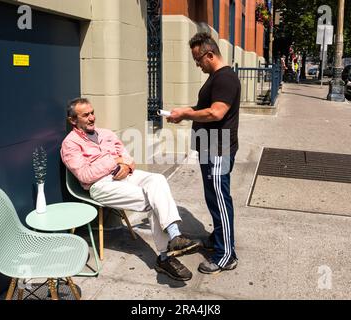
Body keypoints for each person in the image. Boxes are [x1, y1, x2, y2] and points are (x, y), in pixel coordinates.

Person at [61, 97, 202, 282]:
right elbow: (86, 175)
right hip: (100, 185)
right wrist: (115, 161)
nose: (92, 118)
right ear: (73, 120)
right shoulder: (70, 144)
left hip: (125, 175)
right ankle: (166, 257)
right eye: (85, 115)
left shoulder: (106, 134)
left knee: (157, 180)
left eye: (92, 113)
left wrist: (127, 166)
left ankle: (175, 236)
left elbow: (126, 156)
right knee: (154, 202)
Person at [166, 32, 239, 275]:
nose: (197, 64)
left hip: (218, 150)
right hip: (210, 148)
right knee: (213, 198)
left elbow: (216, 113)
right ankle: (219, 237)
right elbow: (204, 108)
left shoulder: (225, 78)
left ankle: (226, 254)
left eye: (198, 59)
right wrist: (184, 111)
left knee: (220, 199)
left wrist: (185, 114)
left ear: (210, 54)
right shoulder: (216, 78)